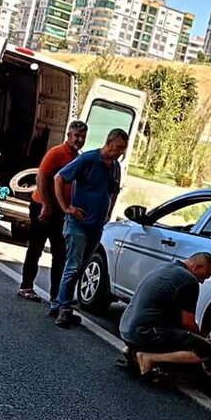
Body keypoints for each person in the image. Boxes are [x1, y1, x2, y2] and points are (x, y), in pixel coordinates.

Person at [51, 128, 129, 328]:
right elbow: (59, 178)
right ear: (109, 142)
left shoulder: (114, 167)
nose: (120, 152)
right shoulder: (88, 159)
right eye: (119, 148)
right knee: (73, 266)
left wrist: (108, 212)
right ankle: (64, 308)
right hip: (78, 224)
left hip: (96, 225)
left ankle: (60, 303)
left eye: (123, 149)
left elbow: (114, 191)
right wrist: (66, 208)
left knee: (81, 268)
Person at [17, 120, 88, 313]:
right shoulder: (56, 153)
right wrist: (46, 205)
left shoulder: (78, 158)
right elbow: (41, 177)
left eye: (82, 137)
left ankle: (57, 294)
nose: (79, 140)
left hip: (62, 210)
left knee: (60, 253)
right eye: (76, 136)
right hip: (43, 206)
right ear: (69, 135)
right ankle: (26, 285)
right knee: (36, 247)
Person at [118, 253, 211, 378]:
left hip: (126, 328)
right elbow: (188, 323)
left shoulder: (163, 267)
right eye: (204, 276)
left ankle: (132, 351)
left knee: (173, 328)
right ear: (196, 267)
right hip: (144, 334)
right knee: (205, 350)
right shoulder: (189, 280)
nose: (202, 281)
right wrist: (202, 339)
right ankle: (149, 358)